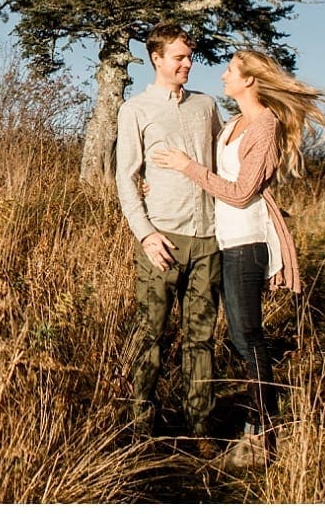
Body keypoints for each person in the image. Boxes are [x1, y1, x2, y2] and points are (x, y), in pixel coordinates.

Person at [151, 49, 325, 470]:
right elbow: (216, 179)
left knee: (248, 337)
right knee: (241, 336)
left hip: (248, 241)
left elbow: (240, 192)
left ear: (250, 80)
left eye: (231, 70)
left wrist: (186, 166)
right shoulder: (233, 123)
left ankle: (262, 435)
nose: (223, 75)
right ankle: (258, 428)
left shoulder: (265, 126)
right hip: (225, 239)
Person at [114, 23, 223, 448]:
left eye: (190, 57)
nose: (187, 64)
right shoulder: (136, 109)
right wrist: (145, 235)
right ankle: (141, 426)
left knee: (201, 337)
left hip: (208, 238)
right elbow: (126, 177)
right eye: (179, 57)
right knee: (151, 332)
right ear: (157, 58)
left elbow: (224, 161)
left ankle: (201, 427)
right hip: (162, 240)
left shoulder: (207, 105)